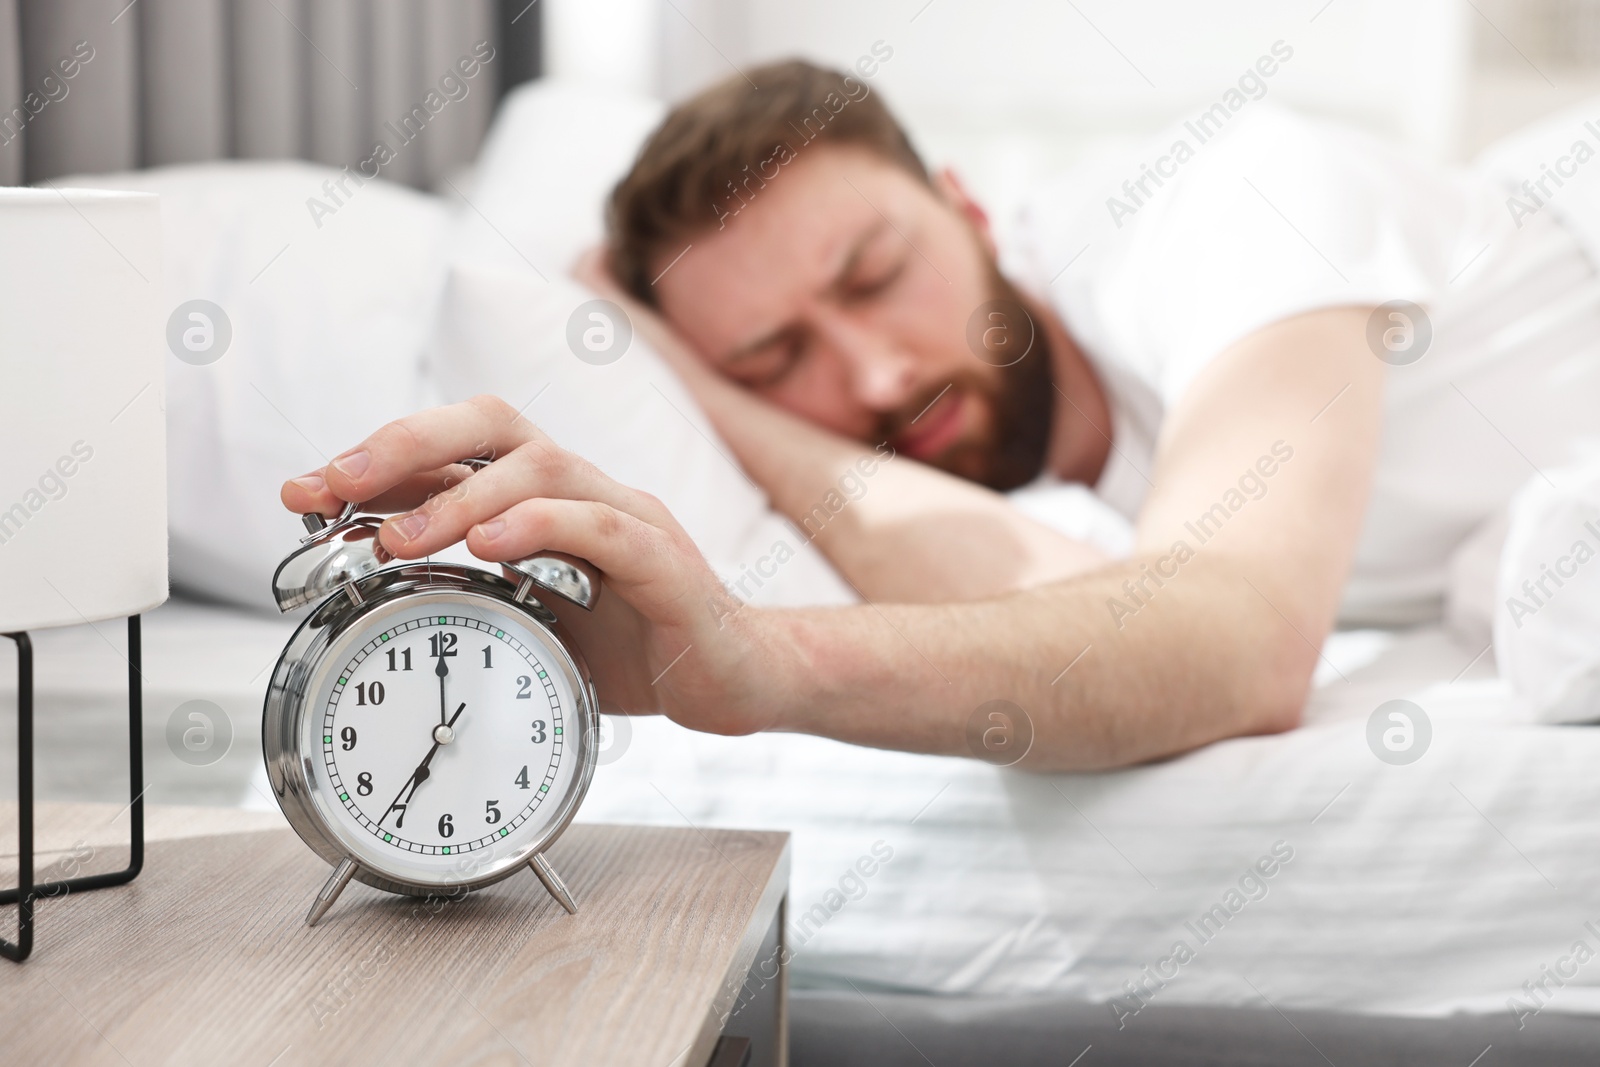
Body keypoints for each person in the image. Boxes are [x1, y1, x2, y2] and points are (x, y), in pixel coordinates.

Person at [282, 61, 1600, 769]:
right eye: (774, 352)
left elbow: (1236, 645)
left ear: (971, 210)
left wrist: (758, 659)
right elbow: (1073, 609)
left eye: (875, 276)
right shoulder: (1010, 470)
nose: (869, 380)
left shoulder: (1237, 204)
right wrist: (690, 378)